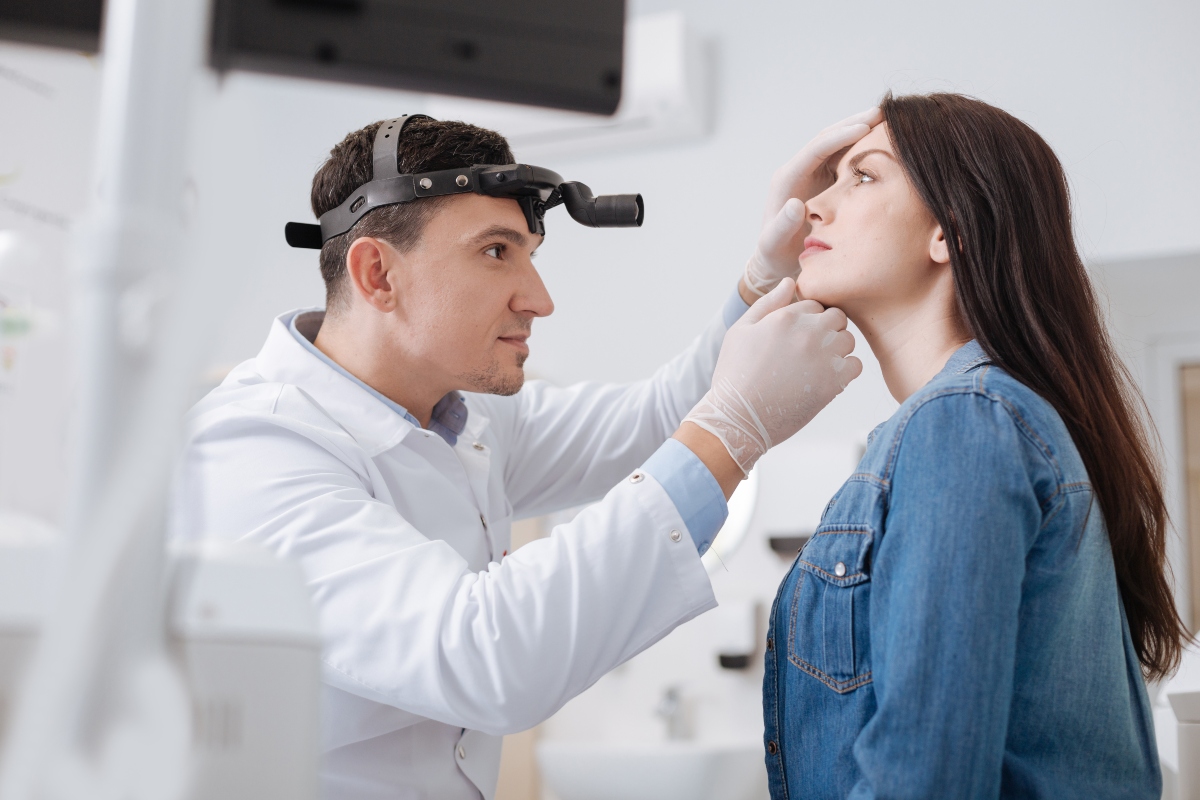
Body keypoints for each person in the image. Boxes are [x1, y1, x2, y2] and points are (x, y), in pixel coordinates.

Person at [172, 112, 873, 799]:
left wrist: (761, 285)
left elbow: (655, 420)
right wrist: (733, 430)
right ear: (378, 274)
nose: (539, 300)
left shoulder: (465, 419)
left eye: (529, 257)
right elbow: (484, 656)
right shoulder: (253, 449)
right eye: (495, 251)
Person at [762, 92, 1185, 799]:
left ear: (948, 232)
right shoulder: (970, 419)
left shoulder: (962, 419)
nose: (812, 206)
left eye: (862, 176)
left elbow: (927, 780)